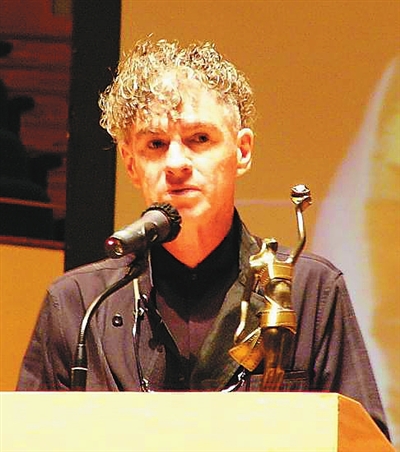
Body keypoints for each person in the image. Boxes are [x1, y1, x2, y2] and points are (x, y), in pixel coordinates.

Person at [17, 38, 390, 439]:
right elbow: (27, 440)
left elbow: (364, 442)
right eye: (155, 144)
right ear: (130, 163)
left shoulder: (311, 291)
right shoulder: (77, 305)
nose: (177, 163)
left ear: (242, 151)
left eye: (199, 139)